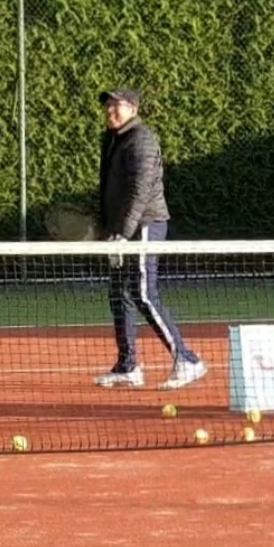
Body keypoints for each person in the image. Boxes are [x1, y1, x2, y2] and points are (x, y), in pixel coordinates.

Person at [93, 87, 207, 390]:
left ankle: (187, 359)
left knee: (143, 293)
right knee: (119, 294)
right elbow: (109, 190)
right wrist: (109, 229)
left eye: (116, 106)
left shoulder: (142, 141)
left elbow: (139, 192)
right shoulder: (113, 140)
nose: (110, 111)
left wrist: (124, 233)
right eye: (107, 107)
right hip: (122, 230)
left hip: (146, 225)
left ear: (132, 108)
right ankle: (128, 367)